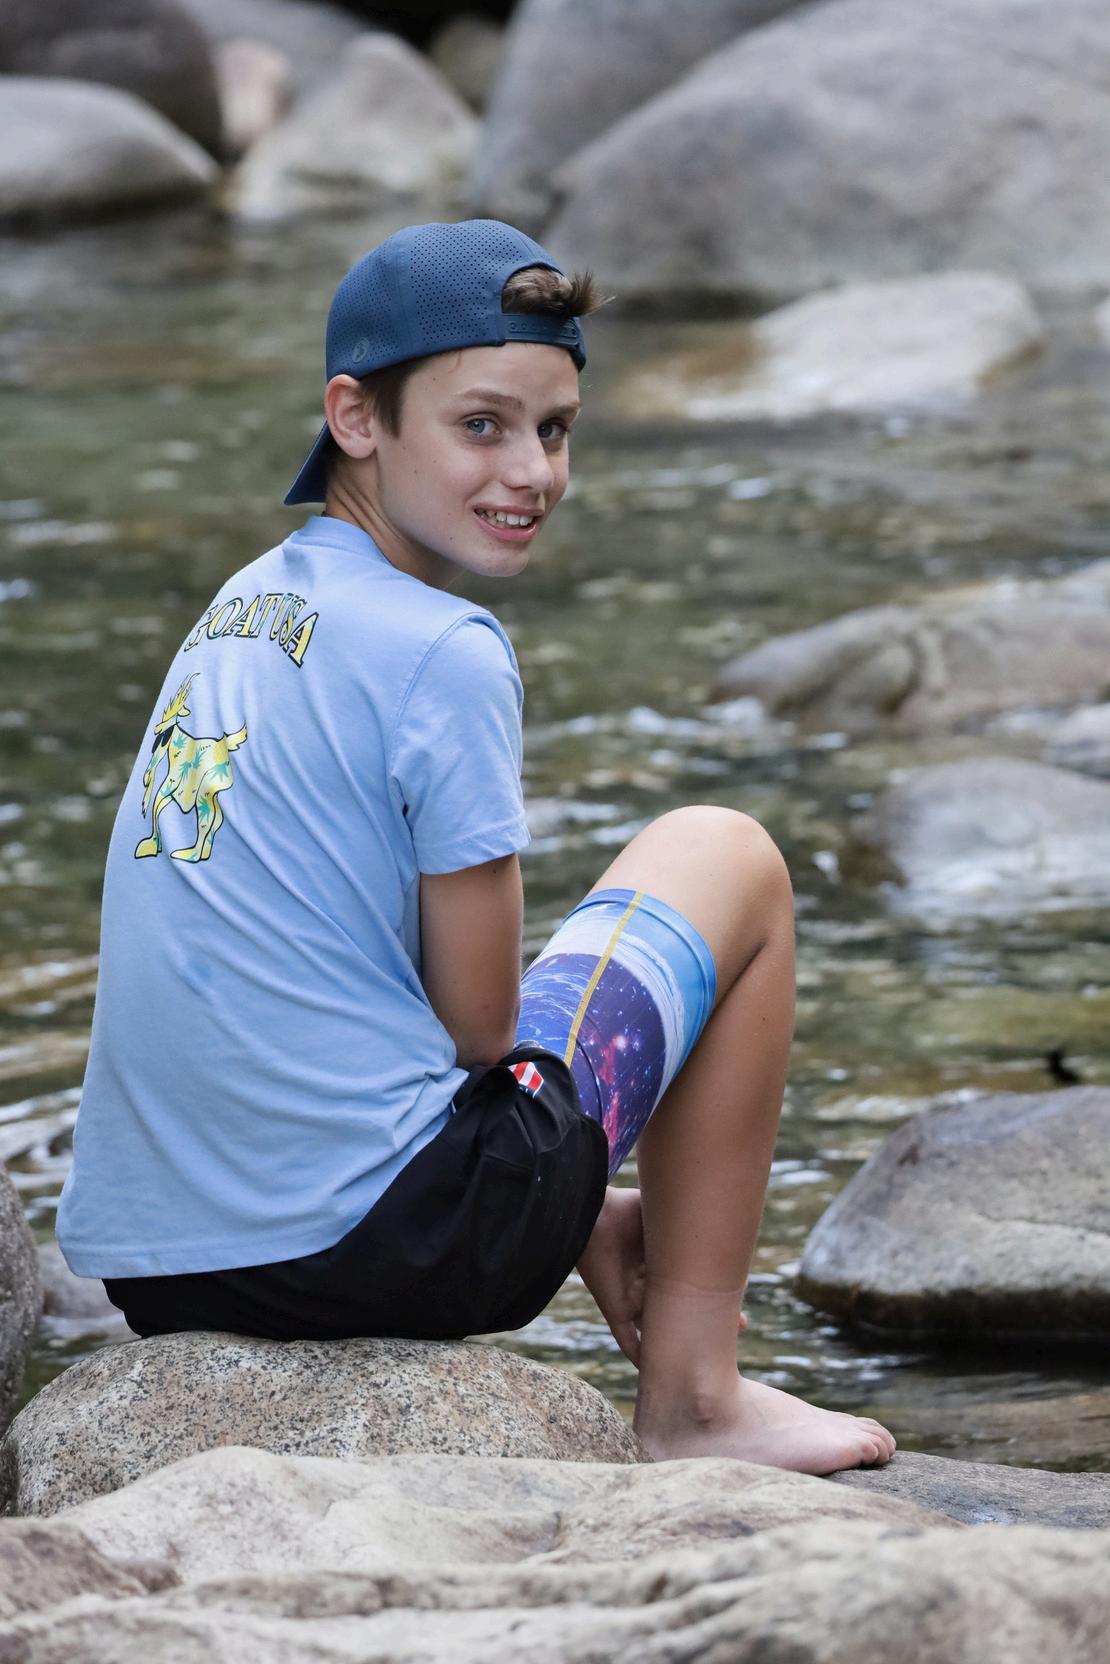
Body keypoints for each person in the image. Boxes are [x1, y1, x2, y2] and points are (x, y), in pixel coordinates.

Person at [57, 220, 895, 1474]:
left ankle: (593, 1225)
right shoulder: (444, 649)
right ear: (356, 416)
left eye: (554, 428)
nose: (532, 471)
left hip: (161, 1262)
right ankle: (695, 1398)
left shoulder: (240, 606)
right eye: (483, 425)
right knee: (728, 855)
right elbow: (482, 1027)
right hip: (391, 1243)